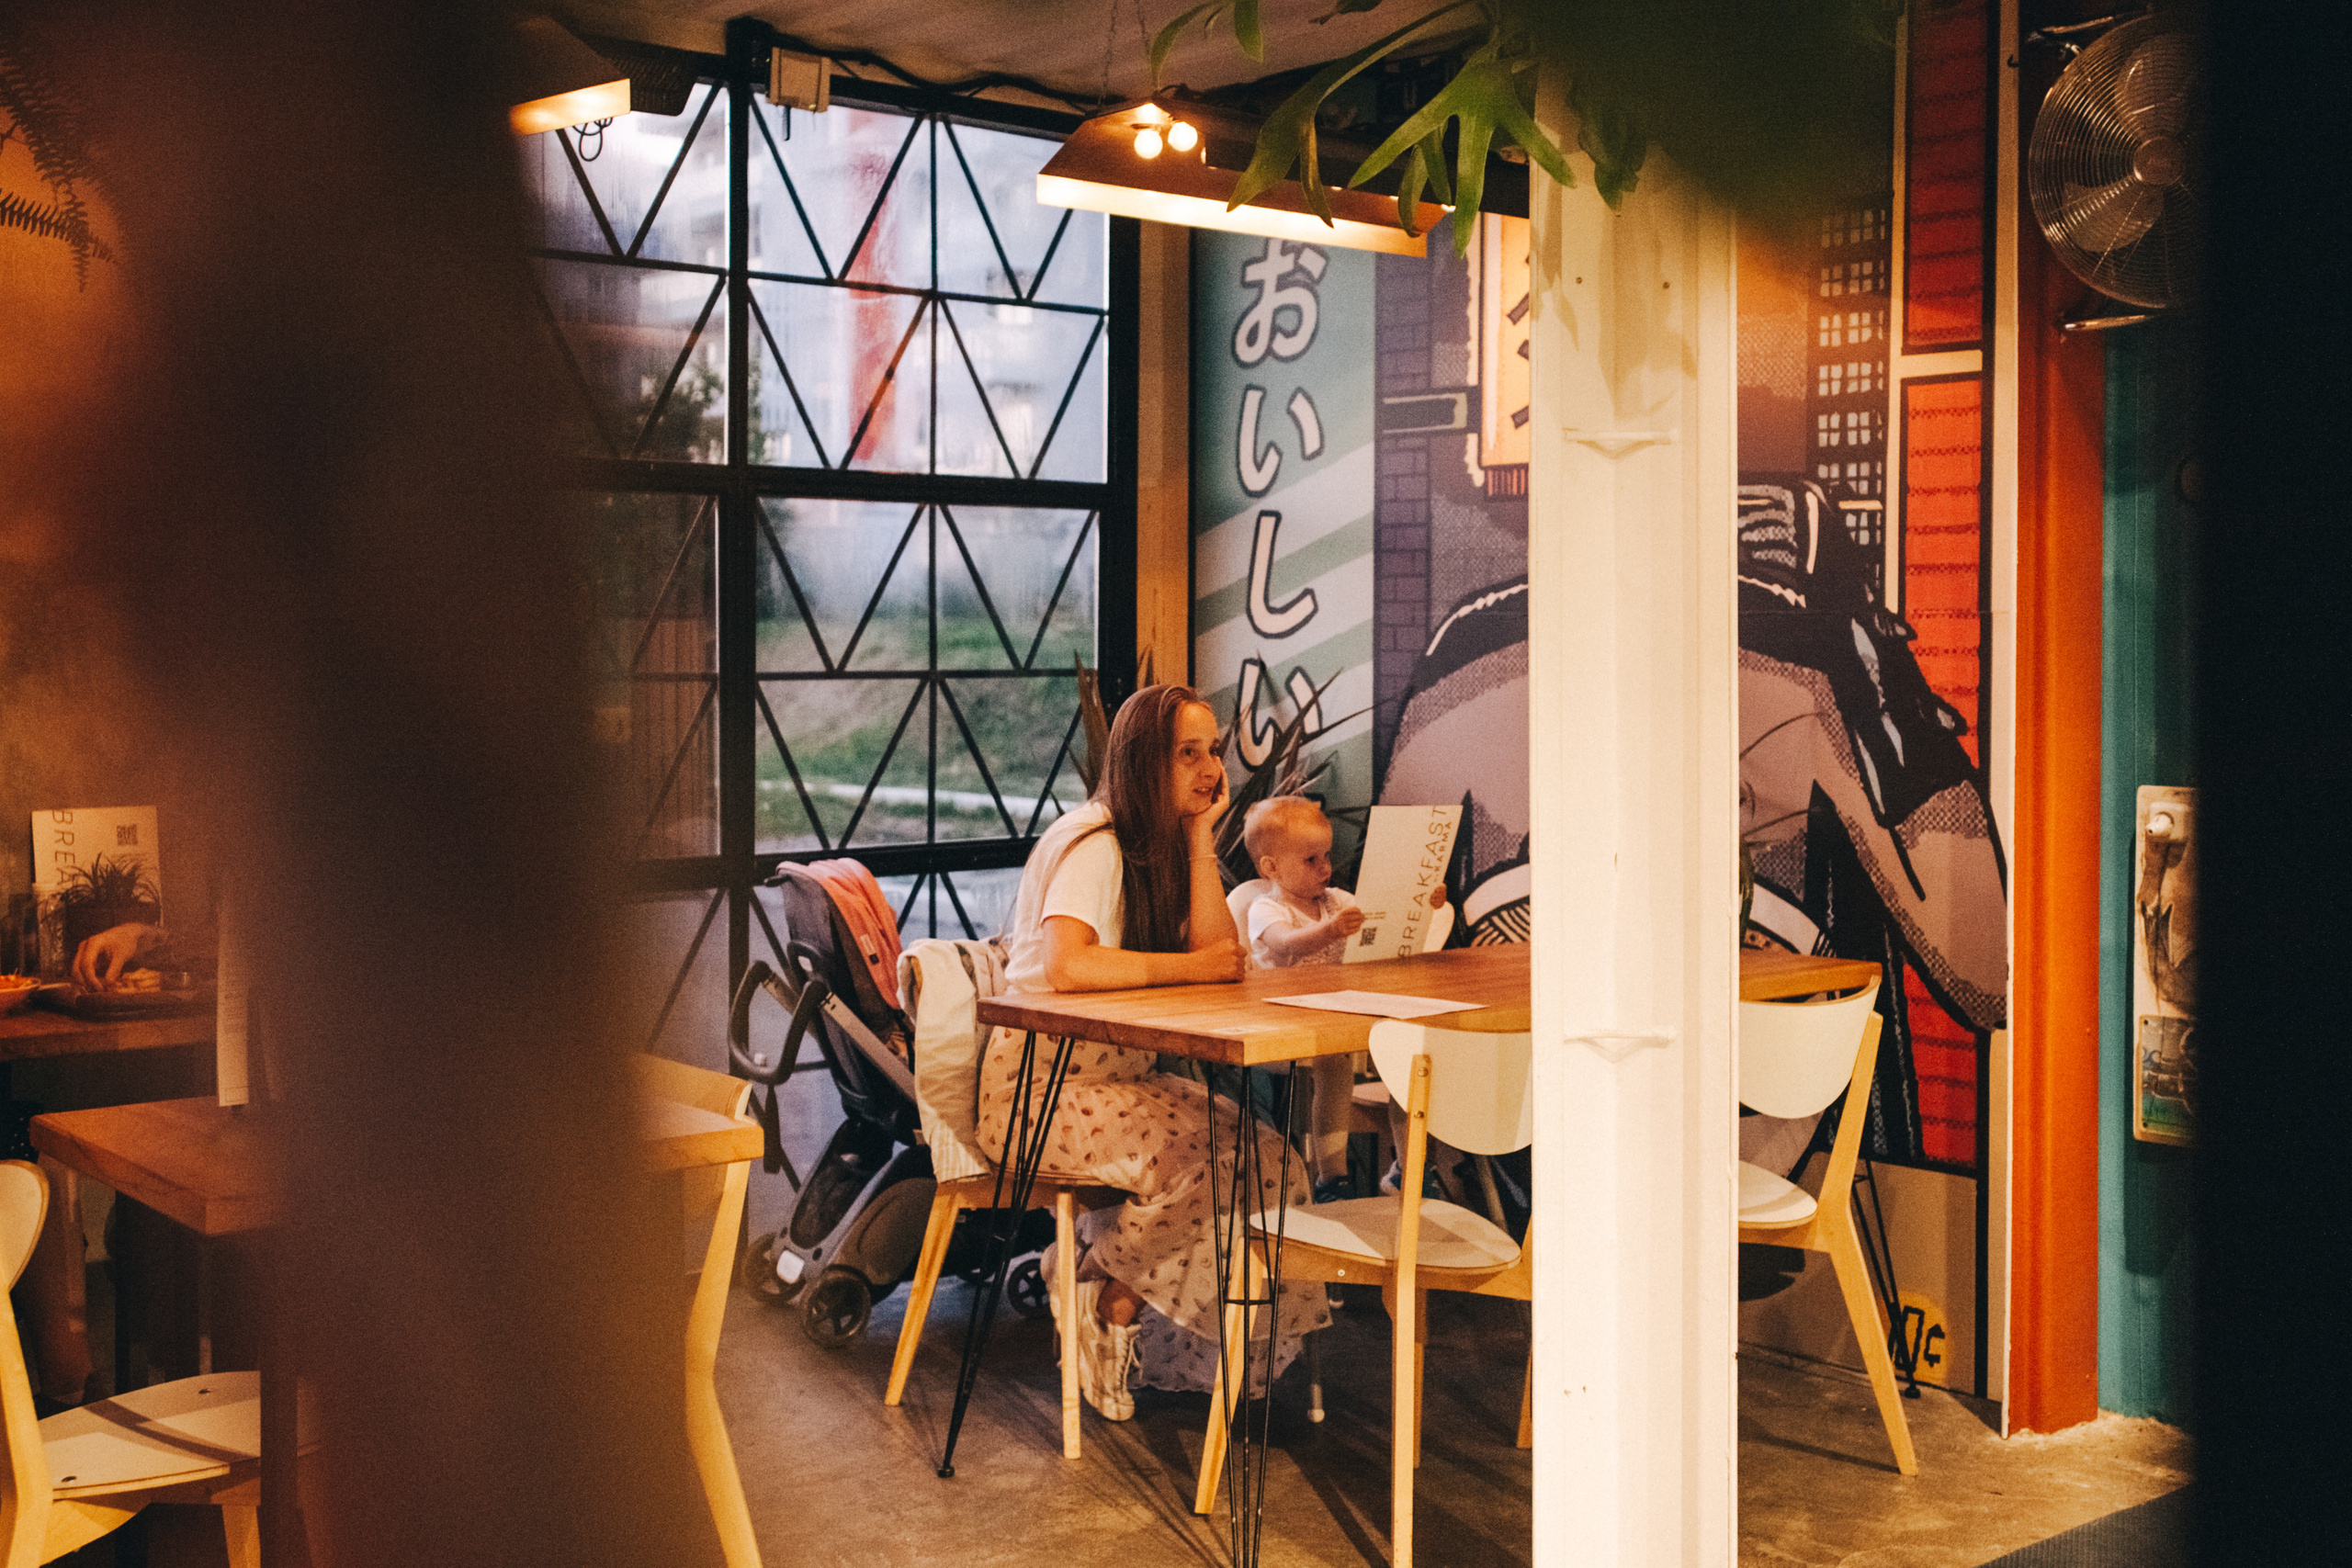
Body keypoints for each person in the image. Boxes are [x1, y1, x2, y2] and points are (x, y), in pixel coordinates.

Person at [981, 684, 1328, 1419]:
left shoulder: (1157, 845)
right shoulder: (1093, 842)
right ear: (1144, 762)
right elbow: (1070, 963)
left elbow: (1218, 953)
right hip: (1043, 1088)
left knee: (1272, 1161)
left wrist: (1203, 838)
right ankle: (1107, 1306)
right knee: (1205, 1167)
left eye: (1214, 752)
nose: (1209, 769)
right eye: (1187, 753)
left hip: (1119, 1077)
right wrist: (1191, 970)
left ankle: (1097, 1276)